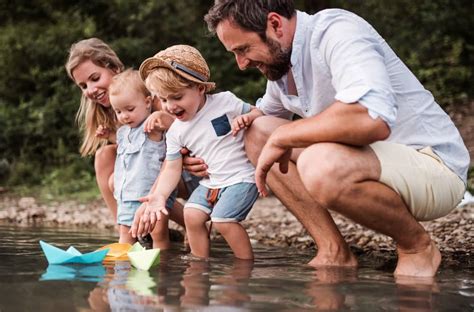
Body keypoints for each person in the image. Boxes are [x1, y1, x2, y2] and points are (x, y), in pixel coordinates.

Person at [203, 0, 469, 277]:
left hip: (433, 168)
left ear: (275, 24)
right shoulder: (282, 66)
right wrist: (202, 157)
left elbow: (370, 118)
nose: (242, 64)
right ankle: (333, 250)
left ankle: (416, 247)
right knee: (257, 133)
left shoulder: (336, 31)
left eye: (243, 49)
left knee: (320, 164)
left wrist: (285, 135)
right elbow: (261, 121)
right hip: (373, 162)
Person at [132, 44, 263, 260]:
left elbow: (259, 112)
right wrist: (159, 196)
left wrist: (248, 118)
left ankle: (244, 265)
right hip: (211, 182)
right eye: (163, 100)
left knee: (223, 221)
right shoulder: (175, 131)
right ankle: (199, 262)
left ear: (200, 88)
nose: (170, 107)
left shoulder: (225, 102)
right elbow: (172, 169)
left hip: (241, 176)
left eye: (177, 97)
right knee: (191, 215)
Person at [65, 38, 190, 234]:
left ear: (113, 67)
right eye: (83, 86)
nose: (90, 90)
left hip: (183, 169)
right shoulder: (113, 113)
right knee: (104, 156)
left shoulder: (150, 99)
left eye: (95, 78)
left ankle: (184, 224)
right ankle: (128, 229)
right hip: (152, 174)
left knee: (130, 179)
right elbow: (138, 147)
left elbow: (185, 137)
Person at [107, 68, 177, 248]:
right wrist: (108, 135)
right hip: (126, 196)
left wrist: (161, 116)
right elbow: (126, 150)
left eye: (129, 109)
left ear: (147, 102)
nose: (124, 116)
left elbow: (176, 127)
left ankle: (163, 266)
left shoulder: (152, 127)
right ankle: (122, 270)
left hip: (150, 196)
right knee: (125, 235)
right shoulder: (122, 132)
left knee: (158, 234)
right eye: (118, 111)